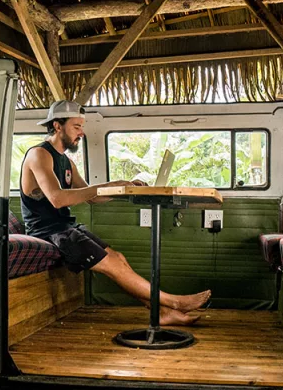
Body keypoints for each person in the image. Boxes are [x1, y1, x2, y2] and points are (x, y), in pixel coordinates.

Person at [19, 100, 210, 326]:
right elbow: (57, 198)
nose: (82, 133)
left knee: (118, 258)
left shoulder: (66, 161)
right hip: (47, 232)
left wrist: (125, 188)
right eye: (76, 127)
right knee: (114, 264)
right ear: (57, 126)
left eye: (82, 127)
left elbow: (93, 197)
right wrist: (107, 186)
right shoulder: (39, 154)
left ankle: (161, 313)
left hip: (64, 227)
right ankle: (174, 302)